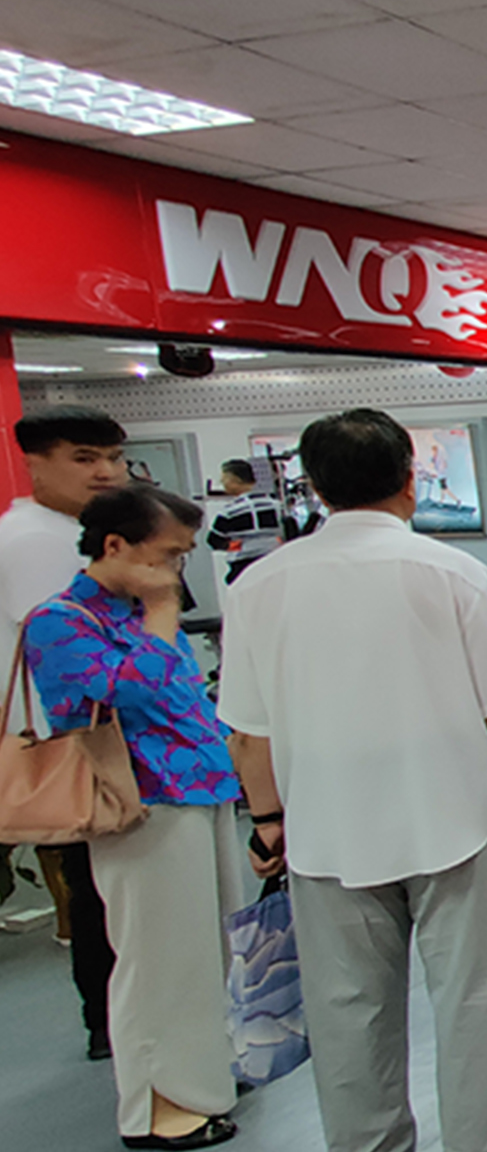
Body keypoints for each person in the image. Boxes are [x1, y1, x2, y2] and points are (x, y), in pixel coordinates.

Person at [218, 408, 487, 1152]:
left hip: (326, 827)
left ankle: (367, 1142)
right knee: (471, 990)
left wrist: (268, 819)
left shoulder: (258, 587)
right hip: (452, 816)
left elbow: (249, 731)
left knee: (347, 1007)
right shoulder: (455, 573)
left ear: (315, 489)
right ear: (411, 480)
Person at [25, 486, 244, 1151]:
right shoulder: (59, 620)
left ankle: (202, 1080)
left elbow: (183, 698)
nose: (174, 571)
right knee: (154, 960)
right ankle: (157, 1107)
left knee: (204, 950)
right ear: (115, 545)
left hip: (199, 789)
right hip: (139, 802)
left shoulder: (135, 613)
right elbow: (129, 690)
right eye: (167, 555)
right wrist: (163, 612)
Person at [0, 403, 126, 1062]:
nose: (105, 472)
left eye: (113, 457)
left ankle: (117, 1020)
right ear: (35, 463)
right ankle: (109, 1022)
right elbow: (76, 656)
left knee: (110, 892)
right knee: (102, 891)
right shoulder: (35, 541)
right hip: (74, 745)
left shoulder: (80, 530)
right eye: (84, 458)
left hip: (99, 741)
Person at [205, 459, 285, 585]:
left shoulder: (230, 511)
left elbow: (213, 541)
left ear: (235, 479)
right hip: (275, 560)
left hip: (243, 565)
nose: (222, 483)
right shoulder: (277, 506)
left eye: (224, 479)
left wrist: (236, 546)